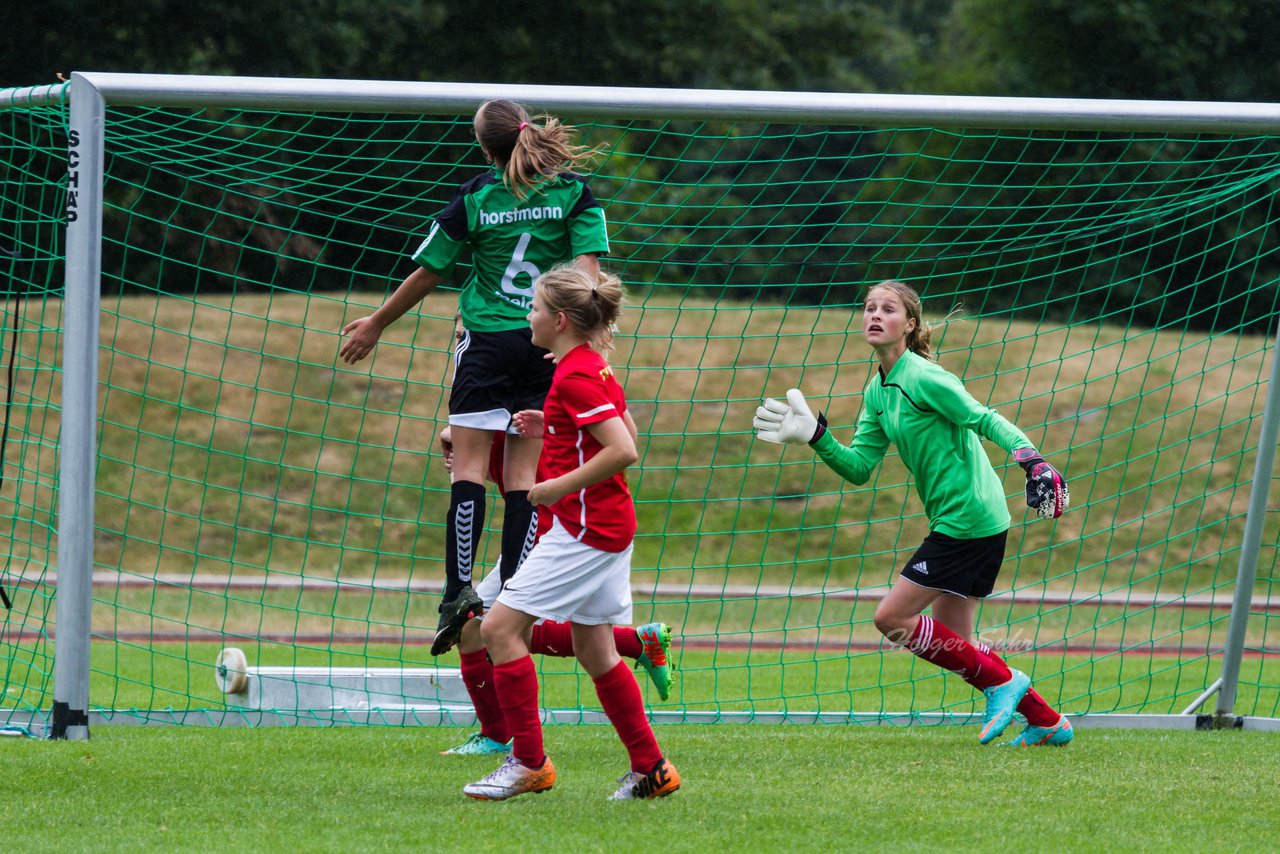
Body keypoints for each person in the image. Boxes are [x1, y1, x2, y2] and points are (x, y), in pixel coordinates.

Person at [339, 99, 609, 658]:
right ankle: (512, 589)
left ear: (486, 147)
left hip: (485, 341)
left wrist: (376, 323)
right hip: (545, 339)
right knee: (521, 477)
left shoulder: (476, 196)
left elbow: (430, 270)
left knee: (466, 469)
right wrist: (585, 332)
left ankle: (457, 589)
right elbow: (587, 270)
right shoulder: (572, 193)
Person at [752, 279, 1073, 748]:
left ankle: (1006, 684)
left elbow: (984, 417)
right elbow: (859, 467)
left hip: (968, 520)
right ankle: (1047, 721)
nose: (875, 315)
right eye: (869, 308)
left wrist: (1032, 459)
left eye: (888, 309)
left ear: (911, 325)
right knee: (957, 646)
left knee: (891, 619)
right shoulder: (877, 390)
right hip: (967, 520)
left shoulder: (924, 375)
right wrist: (816, 437)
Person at [464, 266, 681, 801]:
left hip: (583, 531)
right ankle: (652, 769)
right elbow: (624, 431)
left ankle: (528, 763)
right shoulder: (588, 367)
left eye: (535, 308)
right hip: (607, 528)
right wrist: (551, 423)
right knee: (595, 648)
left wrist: (552, 486)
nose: (528, 316)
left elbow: (625, 450)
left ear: (559, 320)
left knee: (498, 631)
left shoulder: (578, 374)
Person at [433, 425, 676, 757]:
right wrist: (468, 460)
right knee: (509, 632)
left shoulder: (529, 402)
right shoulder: (519, 407)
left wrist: (463, 438)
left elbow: (617, 445)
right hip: (552, 527)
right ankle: (637, 651)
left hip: (551, 531)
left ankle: (515, 750)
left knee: (485, 629)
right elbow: (516, 473)